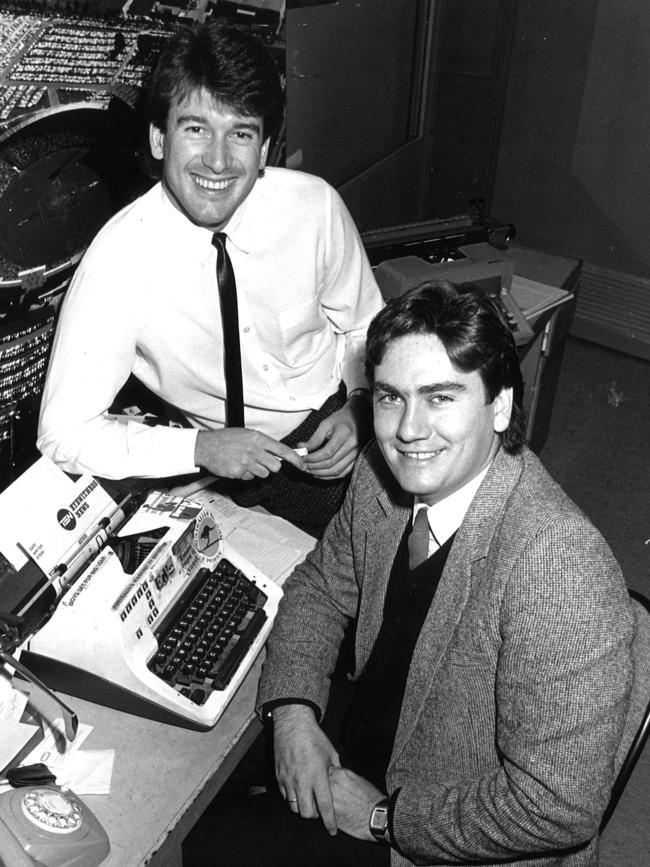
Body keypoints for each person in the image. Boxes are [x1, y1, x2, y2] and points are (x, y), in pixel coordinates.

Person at [185, 282, 635, 867]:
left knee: (201, 846)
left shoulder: (557, 567)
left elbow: (556, 807)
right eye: (391, 397)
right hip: (378, 732)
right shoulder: (380, 473)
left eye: (441, 398)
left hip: (445, 829)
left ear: (500, 406)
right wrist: (293, 713)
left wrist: (384, 821)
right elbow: (320, 589)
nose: (408, 431)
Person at [37, 21, 383, 537]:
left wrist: (361, 408)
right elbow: (62, 434)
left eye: (240, 133)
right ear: (159, 138)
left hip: (336, 425)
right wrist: (198, 449)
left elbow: (366, 328)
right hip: (219, 463)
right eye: (196, 128)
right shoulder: (117, 261)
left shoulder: (313, 207)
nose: (218, 161)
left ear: (264, 149)